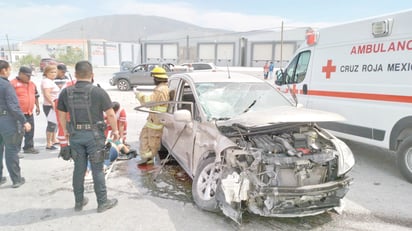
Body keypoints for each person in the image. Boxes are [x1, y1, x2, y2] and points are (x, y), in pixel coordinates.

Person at [57, 60, 119, 213]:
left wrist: (65, 130)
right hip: (94, 136)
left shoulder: (66, 92)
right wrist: (116, 131)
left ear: (76, 75)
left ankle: (79, 202)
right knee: (97, 169)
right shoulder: (98, 92)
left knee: (78, 169)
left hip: (75, 135)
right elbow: (110, 114)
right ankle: (102, 203)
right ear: (92, 75)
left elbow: (61, 114)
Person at [0, 60, 31, 188]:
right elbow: (13, 107)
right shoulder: (6, 85)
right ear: (4, 70)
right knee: (11, 150)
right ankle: (16, 179)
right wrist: (24, 121)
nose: (10, 72)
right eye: (9, 69)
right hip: (7, 121)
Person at [134, 67, 169, 165]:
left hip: (156, 122)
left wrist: (139, 95)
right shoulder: (162, 88)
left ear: (157, 78)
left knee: (152, 141)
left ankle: (149, 159)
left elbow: (148, 102)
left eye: (154, 78)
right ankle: (147, 158)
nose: (153, 80)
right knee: (144, 136)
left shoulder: (161, 90)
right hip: (153, 120)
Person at [10, 66, 41, 154]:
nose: (29, 77)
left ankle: (28, 147)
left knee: (30, 131)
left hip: (29, 112)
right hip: (18, 113)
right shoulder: (13, 84)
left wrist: (37, 106)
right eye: (27, 75)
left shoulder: (32, 84)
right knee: (19, 132)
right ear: (20, 74)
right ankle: (16, 150)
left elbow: (36, 96)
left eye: (30, 75)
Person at [41, 65, 60, 150]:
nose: (53, 74)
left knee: (54, 123)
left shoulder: (51, 81)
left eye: (55, 72)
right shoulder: (46, 81)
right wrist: (52, 103)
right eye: (51, 72)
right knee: (51, 124)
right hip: (50, 105)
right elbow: (47, 94)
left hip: (54, 104)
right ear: (46, 73)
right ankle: (49, 143)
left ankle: (54, 139)